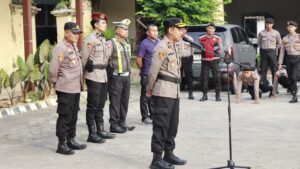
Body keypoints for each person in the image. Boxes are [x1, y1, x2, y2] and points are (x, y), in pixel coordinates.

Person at [146, 18, 187, 169]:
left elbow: (187, 52)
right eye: (179, 29)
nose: (181, 31)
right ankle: (156, 159)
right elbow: (153, 71)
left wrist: (184, 38)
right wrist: (150, 88)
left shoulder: (175, 46)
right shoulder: (161, 47)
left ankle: (169, 154)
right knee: (161, 125)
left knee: (172, 125)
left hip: (174, 92)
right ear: (170, 30)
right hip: (163, 91)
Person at [49, 22, 87, 155]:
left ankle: (71, 139)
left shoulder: (73, 46)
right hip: (65, 88)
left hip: (75, 87)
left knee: (73, 115)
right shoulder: (61, 48)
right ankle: (62, 143)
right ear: (66, 33)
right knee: (65, 116)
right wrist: (54, 84)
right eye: (74, 33)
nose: (77, 35)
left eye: (78, 33)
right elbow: (53, 68)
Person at [81, 12, 116, 143]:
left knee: (100, 104)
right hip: (93, 75)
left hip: (103, 75)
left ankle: (100, 130)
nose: (105, 25)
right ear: (96, 25)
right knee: (92, 105)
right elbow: (84, 59)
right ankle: (92, 133)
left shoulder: (102, 38)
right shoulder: (90, 39)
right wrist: (83, 78)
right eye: (103, 23)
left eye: (105, 23)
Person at [106, 19, 135, 133]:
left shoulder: (127, 43)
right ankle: (114, 124)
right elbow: (106, 59)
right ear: (117, 30)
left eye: (127, 29)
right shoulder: (111, 43)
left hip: (126, 76)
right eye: (124, 29)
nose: (126, 31)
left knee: (124, 100)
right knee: (115, 101)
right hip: (116, 76)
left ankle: (122, 122)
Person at [136, 24, 160, 124]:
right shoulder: (144, 44)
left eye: (156, 30)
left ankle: (153, 115)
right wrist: (143, 69)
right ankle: (145, 117)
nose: (155, 32)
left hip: (157, 74)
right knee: (145, 96)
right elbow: (138, 60)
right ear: (148, 32)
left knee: (154, 95)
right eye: (153, 31)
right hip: (147, 74)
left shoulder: (159, 42)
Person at [199, 23, 223, 101]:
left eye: (213, 28)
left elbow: (220, 49)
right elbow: (200, 47)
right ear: (206, 28)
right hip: (205, 61)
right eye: (210, 28)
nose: (211, 30)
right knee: (204, 78)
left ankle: (217, 95)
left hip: (215, 60)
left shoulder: (218, 38)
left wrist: (217, 52)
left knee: (217, 78)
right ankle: (204, 95)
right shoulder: (201, 38)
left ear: (214, 30)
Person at [278, 20, 300, 103]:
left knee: (294, 77)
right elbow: (282, 52)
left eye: (292, 27)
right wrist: (280, 63)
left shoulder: (299, 37)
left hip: (298, 59)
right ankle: (294, 96)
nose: (290, 28)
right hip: (289, 60)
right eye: (289, 27)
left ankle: (294, 93)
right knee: (291, 78)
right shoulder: (285, 38)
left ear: (295, 28)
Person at [257, 18, 282, 83]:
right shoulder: (261, 33)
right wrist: (262, 48)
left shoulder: (276, 33)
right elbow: (258, 43)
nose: (268, 25)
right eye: (267, 24)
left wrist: (275, 49)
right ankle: (264, 85)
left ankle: (275, 86)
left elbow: (279, 43)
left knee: (274, 69)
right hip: (264, 52)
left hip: (272, 52)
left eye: (269, 24)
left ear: (272, 24)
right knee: (263, 69)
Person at [179, 26, 195, 100]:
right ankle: (177, 93)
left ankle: (190, 93)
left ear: (186, 30)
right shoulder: (176, 38)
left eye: (184, 29)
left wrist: (191, 59)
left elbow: (192, 51)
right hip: (178, 59)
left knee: (189, 77)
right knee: (178, 76)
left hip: (187, 59)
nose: (182, 31)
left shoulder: (189, 39)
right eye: (181, 29)